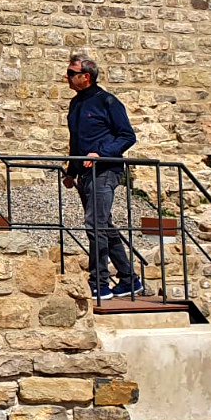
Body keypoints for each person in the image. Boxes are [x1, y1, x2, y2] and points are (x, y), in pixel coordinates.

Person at [65, 54, 144, 301]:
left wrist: (100, 153)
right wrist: (71, 170)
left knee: (94, 224)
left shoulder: (108, 102)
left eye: (70, 72)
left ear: (85, 77)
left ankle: (99, 283)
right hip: (86, 173)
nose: (66, 77)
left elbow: (127, 136)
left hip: (106, 170)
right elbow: (77, 141)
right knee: (104, 225)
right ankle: (129, 279)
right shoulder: (76, 104)